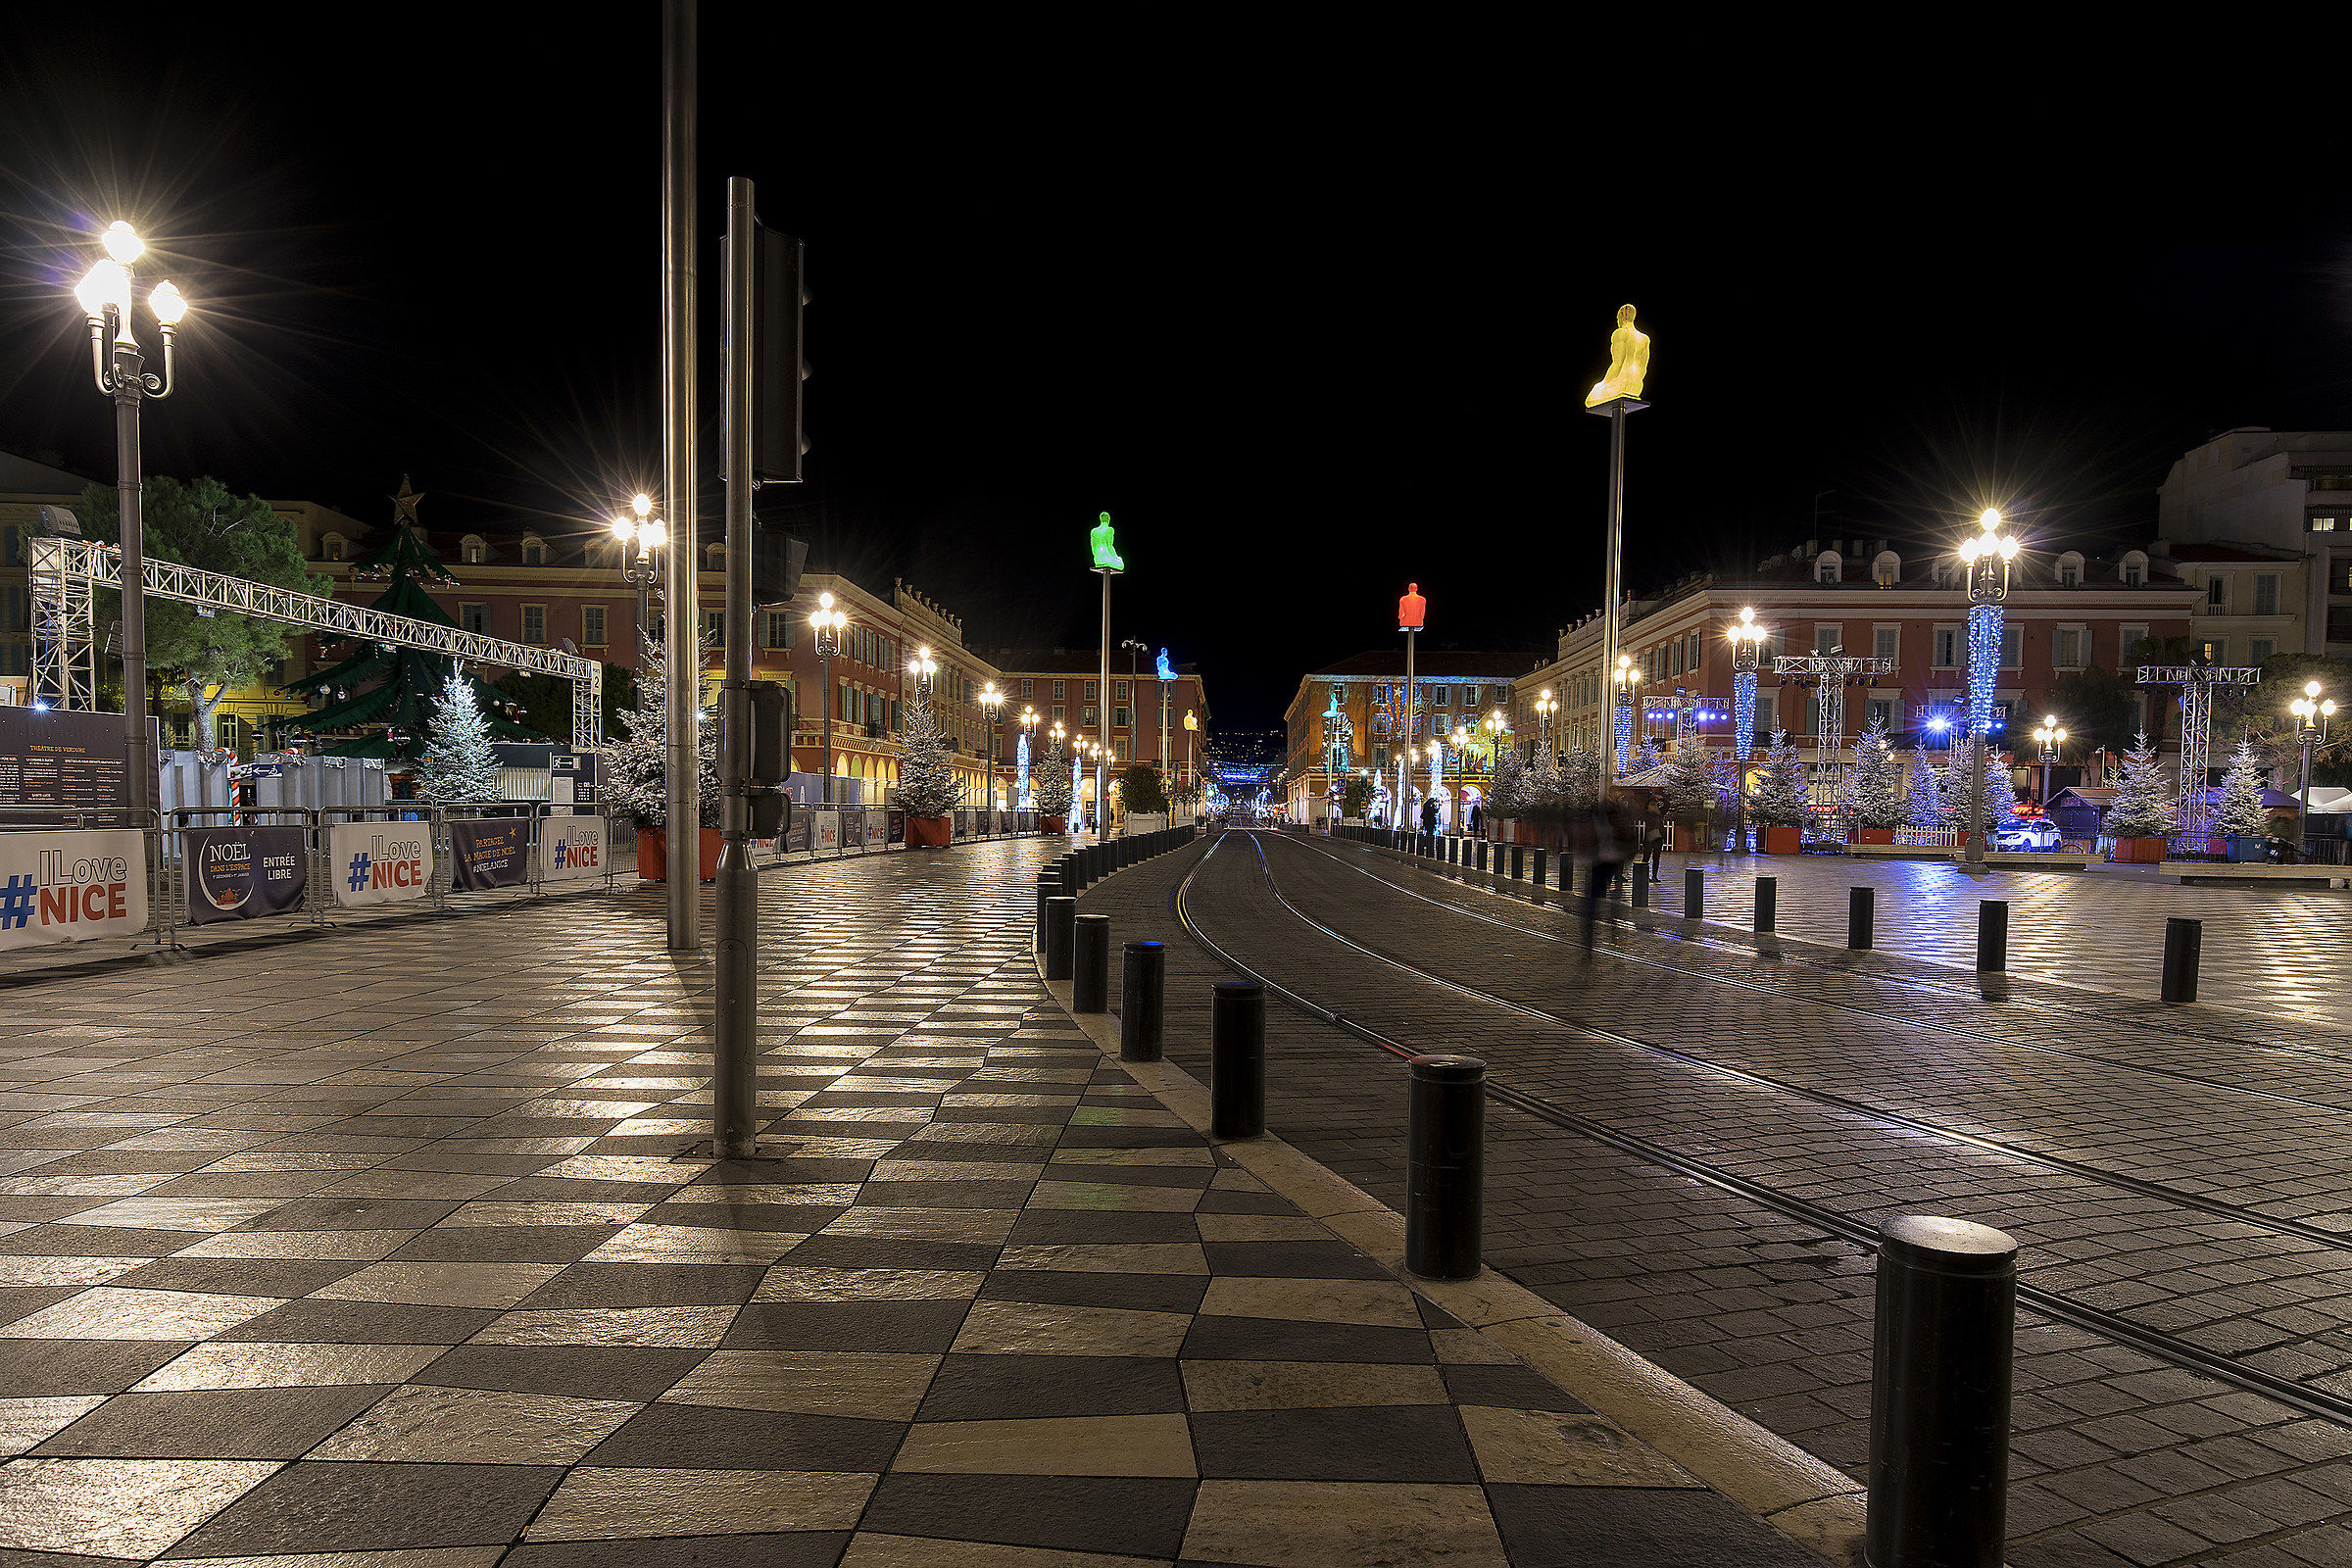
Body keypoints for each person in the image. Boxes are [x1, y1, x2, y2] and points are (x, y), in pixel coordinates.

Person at [1582, 797, 1633, 951]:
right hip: (1607, 864)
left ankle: (1592, 939)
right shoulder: (1613, 823)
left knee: (1592, 904)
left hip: (1605, 864)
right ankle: (1609, 932)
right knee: (1598, 903)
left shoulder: (1606, 823)